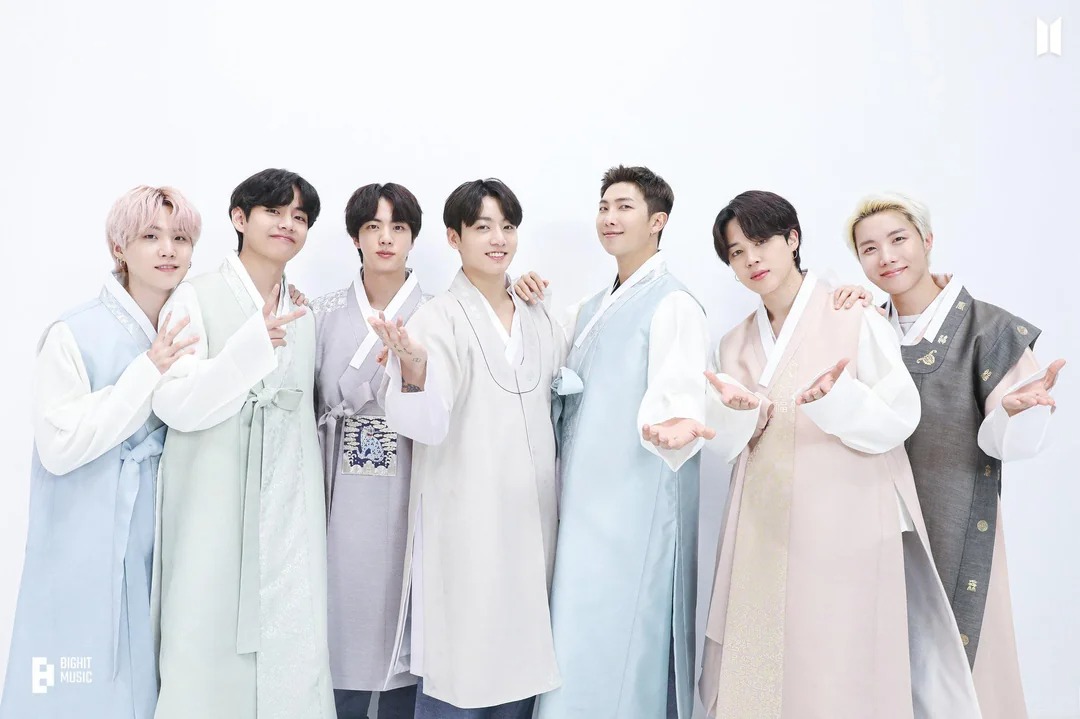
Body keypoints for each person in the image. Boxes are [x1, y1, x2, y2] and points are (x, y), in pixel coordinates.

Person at [692, 190, 979, 718]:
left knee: (837, 661)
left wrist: (837, 399)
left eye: (761, 242)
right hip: (764, 526)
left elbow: (899, 415)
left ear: (792, 239)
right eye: (736, 252)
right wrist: (733, 414)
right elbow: (728, 443)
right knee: (760, 661)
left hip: (848, 518)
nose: (752, 259)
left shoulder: (851, 314)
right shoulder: (733, 343)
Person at [839, 192, 1065, 719]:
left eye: (898, 239)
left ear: (927, 240)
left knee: (960, 668)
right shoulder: (861, 327)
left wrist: (1014, 412)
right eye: (869, 249)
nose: (886, 257)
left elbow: (1010, 442)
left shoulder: (990, 328)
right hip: (874, 520)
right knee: (881, 658)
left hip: (956, 513)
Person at [515, 165, 710, 719]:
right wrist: (522, 296)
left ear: (658, 221)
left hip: (634, 504)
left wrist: (678, 424)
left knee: (621, 634)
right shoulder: (592, 305)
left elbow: (682, 400)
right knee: (578, 632)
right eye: (604, 207)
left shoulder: (673, 302)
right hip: (583, 503)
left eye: (624, 207)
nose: (609, 218)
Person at [0, 186, 201, 719]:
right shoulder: (74, 332)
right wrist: (146, 370)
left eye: (181, 238)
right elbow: (58, 445)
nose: (168, 249)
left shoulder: (190, 323)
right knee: (76, 669)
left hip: (164, 526)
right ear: (119, 248)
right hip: (86, 525)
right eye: (151, 236)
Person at [369, 178, 563, 719]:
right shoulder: (439, 317)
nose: (498, 239)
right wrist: (413, 369)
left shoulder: (538, 313)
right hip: (466, 522)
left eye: (507, 226)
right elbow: (427, 424)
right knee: (464, 663)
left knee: (523, 659)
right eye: (482, 227)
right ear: (454, 238)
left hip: (531, 519)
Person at [150, 168, 335, 719]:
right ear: (239, 218)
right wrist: (248, 349)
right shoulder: (194, 296)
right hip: (214, 490)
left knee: (293, 626)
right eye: (273, 211)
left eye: (299, 217)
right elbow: (173, 401)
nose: (287, 224)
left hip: (289, 499)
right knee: (205, 617)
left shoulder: (301, 311)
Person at [311, 182, 426, 719]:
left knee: (408, 611)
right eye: (372, 227)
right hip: (339, 489)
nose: (385, 238)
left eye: (397, 227)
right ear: (355, 237)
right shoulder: (321, 313)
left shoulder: (437, 313)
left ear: (413, 237)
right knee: (342, 609)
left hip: (413, 481)